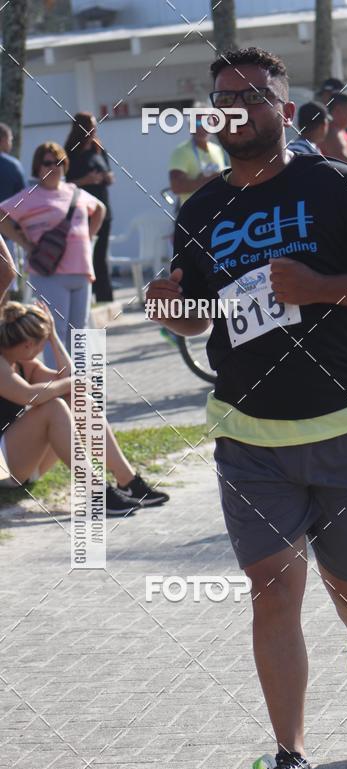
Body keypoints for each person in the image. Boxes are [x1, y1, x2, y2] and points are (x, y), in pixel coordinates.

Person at [146, 46, 347, 769]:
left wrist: (323, 288)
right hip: (248, 432)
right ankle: (291, 759)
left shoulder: (337, 186)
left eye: (251, 93)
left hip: (342, 422)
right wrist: (172, 306)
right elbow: (200, 315)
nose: (235, 105)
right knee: (273, 593)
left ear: (282, 103)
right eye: (222, 96)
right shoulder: (201, 210)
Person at [0, 299, 169, 512]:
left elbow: (70, 380)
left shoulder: (25, 363)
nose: (43, 349)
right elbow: (30, 396)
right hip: (4, 468)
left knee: (76, 401)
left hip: (21, 463)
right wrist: (71, 383)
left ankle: (128, 482)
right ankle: (96, 492)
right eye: (42, 343)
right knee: (53, 408)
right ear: (27, 345)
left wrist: (53, 337)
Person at [0, 141, 105, 368]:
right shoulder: (28, 195)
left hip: (82, 271)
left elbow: (100, 210)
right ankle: (60, 388)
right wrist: (25, 244)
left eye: (59, 162)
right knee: (54, 332)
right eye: (48, 162)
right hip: (48, 273)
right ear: (38, 167)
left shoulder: (75, 192)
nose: (54, 167)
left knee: (81, 332)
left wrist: (88, 237)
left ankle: (81, 390)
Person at [65, 113, 115, 304]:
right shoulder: (70, 153)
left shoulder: (98, 149)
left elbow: (109, 173)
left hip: (103, 210)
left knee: (101, 255)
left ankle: (104, 297)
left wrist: (106, 178)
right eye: (91, 126)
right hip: (81, 212)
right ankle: (85, 297)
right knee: (86, 255)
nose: (94, 129)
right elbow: (65, 183)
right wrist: (85, 181)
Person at [168, 119, 226, 207]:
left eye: (207, 123)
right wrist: (208, 180)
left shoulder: (217, 149)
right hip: (194, 214)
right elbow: (176, 187)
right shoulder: (181, 151)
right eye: (197, 123)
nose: (202, 127)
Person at [0, 123, 26, 289]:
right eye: (10, 139)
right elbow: (24, 199)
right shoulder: (13, 165)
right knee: (6, 278)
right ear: (2, 140)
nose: (10, 143)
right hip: (7, 232)